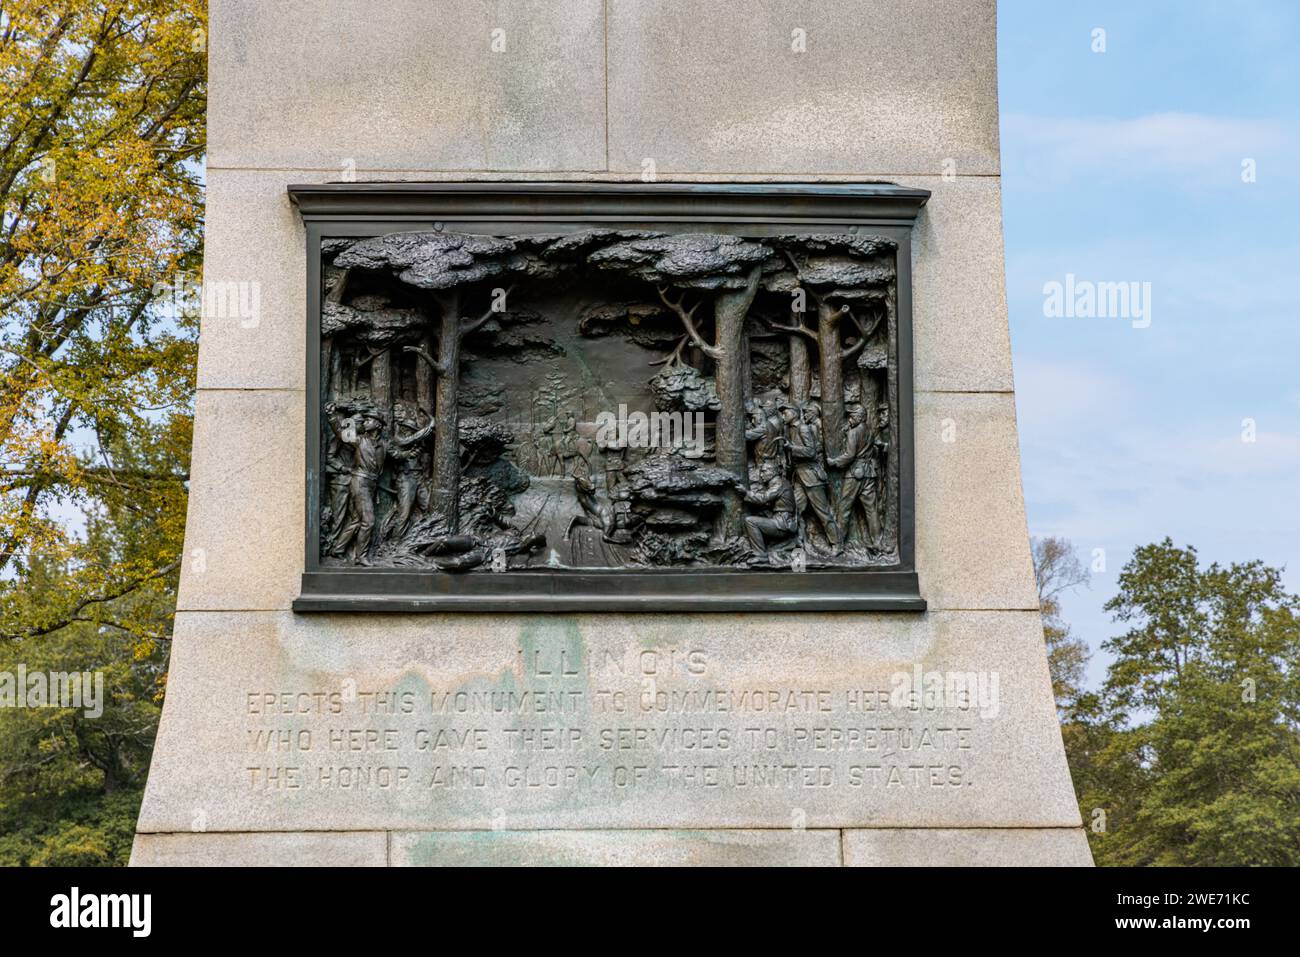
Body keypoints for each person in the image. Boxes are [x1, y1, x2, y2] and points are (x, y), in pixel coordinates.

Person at [326, 401, 386, 565]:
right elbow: (341, 433)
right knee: (369, 521)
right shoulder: (360, 440)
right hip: (359, 482)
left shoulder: (383, 444)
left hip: (371, 485)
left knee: (357, 520)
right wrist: (332, 416)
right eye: (364, 420)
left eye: (369, 420)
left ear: (378, 425)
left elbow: (397, 454)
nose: (365, 422)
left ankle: (338, 548)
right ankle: (361, 557)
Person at [784, 400, 840, 549]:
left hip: (811, 476)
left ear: (794, 414)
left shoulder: (803, 428)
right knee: (795, 509)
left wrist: (791, 448)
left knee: (822, 512)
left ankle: (837, 544)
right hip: (799, 476)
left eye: (786, 412)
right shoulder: (789, 429)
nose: (783, 415)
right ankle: (799, 542)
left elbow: (811, 451)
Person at [828, 403, 880, 548]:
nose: (850, 418)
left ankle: (838, 545)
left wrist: (834, 462)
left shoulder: (854, 432)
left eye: (852, 416)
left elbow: (850, 455)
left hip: (854, 474)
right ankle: (877, 541)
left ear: (859, 417)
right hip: (869, 474)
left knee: (844, 508)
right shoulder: (869, 431)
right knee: (871, 510)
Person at [381, 404, 435, 542]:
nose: (411, 432)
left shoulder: (415, 445)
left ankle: (426, 536)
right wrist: (430, 422)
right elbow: (417, 437)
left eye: (412, 430)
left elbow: (425, 439)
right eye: (409, 430)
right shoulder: (399, 440)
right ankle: (394, 542)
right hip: (406, 478)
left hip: (419, 477)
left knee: (429, 507)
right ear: (405, 430)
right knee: (404, 513)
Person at [743, 459, 797, 561]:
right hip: (780, 520)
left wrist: (745, 493)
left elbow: (764, 498)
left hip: (782, 524)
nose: (761, 475)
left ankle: (760, 555)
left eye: (764, 471)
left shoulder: (779, 484)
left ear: (772, 472)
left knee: (750, 521)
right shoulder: (778, 483)